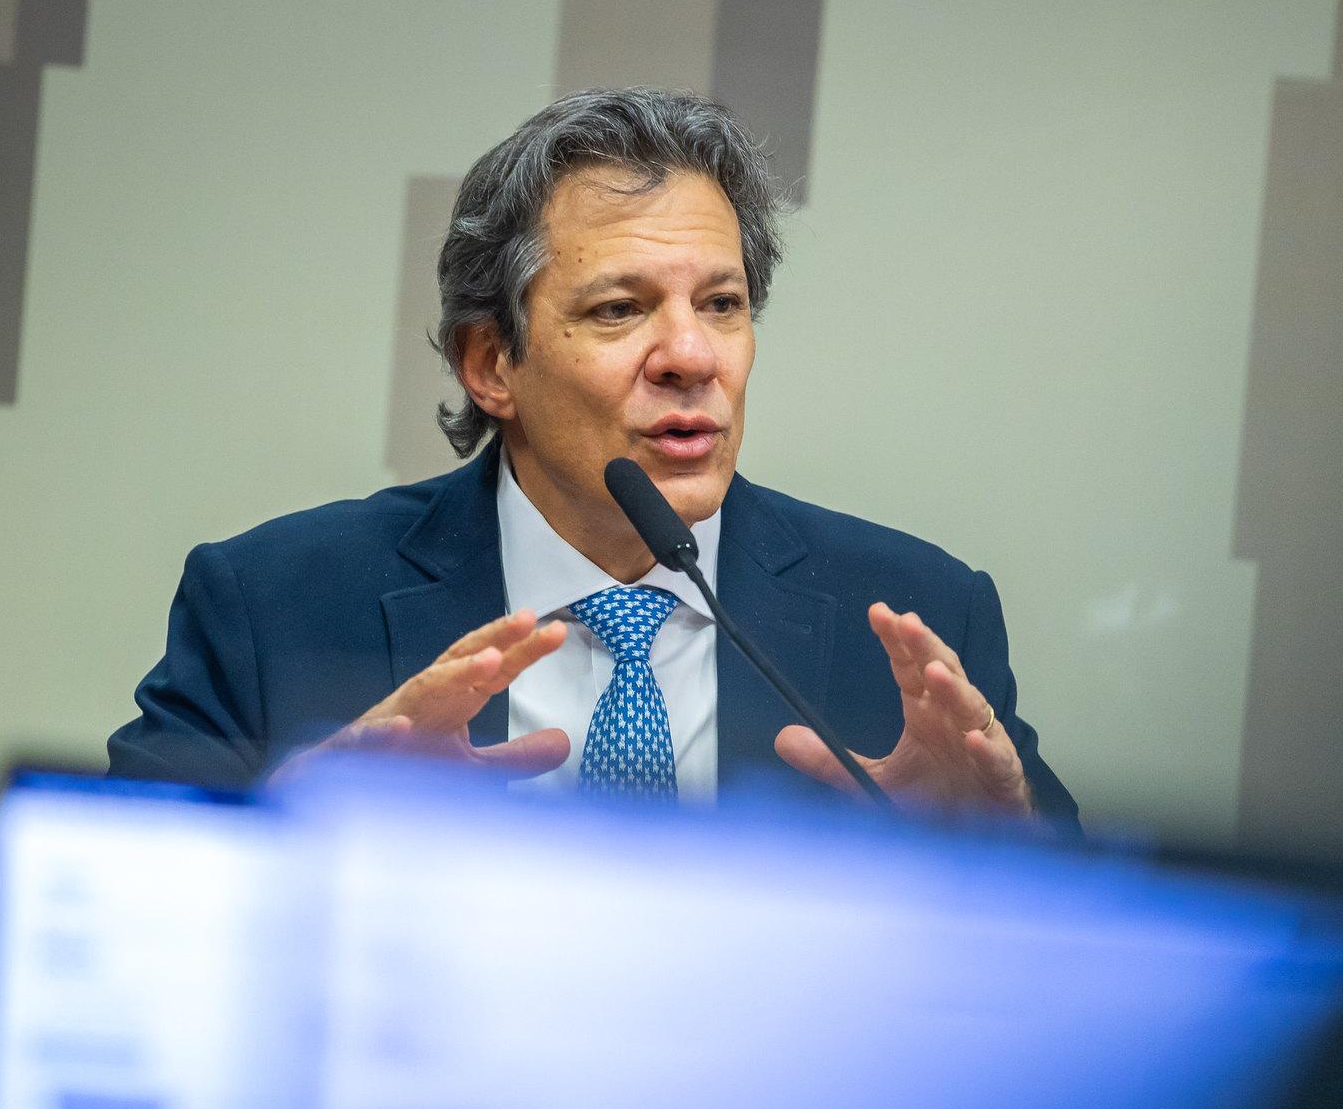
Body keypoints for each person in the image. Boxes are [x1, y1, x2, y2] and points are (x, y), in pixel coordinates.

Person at [107, 88, 1075, 822]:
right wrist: (292, 824)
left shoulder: (915, 618)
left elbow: (1079, 961)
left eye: (722, 304)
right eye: (618, 309)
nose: (691, 355)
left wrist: (1003, 852)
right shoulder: (272, 603)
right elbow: (117, 923)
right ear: (491, 363)